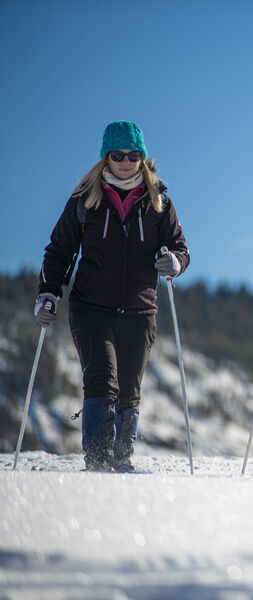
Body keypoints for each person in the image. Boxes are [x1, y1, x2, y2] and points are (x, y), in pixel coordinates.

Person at [35, 121, 190, 472]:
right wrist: (48, 293)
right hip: (91, 307)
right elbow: (59, 251)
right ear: (106, 157)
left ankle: (120, 462)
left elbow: (181, 249)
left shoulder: (158, 202)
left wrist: (174, 263)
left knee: (128, 391)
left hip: (140, 310)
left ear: (142, 158)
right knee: (102, 380)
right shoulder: (84, 199)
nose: (125, 161)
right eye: (117, 155)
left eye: (133, 155)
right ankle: (98, 462)